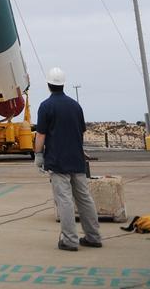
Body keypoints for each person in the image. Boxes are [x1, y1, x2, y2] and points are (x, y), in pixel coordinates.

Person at [35, 66, 103, 252]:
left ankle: (70, 240)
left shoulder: (46, 106)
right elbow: (81, 131)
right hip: (77, 160)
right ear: (63, 84)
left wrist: (38, 155)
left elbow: (40, 134)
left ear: (49, 84)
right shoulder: (75, 106)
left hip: (58, 161)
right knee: (84, 198)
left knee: (64, 200)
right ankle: (93, 236)